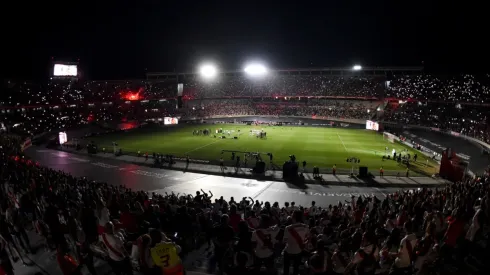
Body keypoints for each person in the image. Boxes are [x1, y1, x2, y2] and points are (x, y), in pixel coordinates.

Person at [283, 210, 309, 275]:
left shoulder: (288, 228)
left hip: (289, 251)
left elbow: (284, 241)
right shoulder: (306, 227)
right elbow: (307, 238)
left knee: (286, 267)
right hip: (299, 251)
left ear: (293, 217)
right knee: (296, 268)